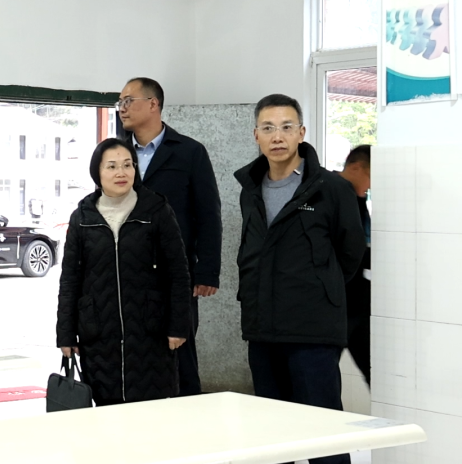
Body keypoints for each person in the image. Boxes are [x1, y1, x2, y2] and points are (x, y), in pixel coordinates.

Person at [234, 94, 365, 464]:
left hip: (313, 332)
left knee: (322, 436)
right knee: (273, 438)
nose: (277, 136)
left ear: (301, 133)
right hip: (263, 329)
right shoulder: (250, 189)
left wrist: (319, 287)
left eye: (286, 127)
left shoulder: (331, 188)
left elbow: (350, 253)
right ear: (256, 135)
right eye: (268, 128)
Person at [56, 138, 191, 406]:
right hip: (98, 334)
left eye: (128, 165)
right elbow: (70, 279)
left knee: (152, 412)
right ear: (97, 172)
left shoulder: (156, 210)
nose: (121, 172)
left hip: (150, 331)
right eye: (112, 166)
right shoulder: (83, 217)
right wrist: (66, 333)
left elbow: (178, 273)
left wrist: (179, 326)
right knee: (107, 413)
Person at [118, 77, 222, 396]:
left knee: (179, 355)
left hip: (175, 274)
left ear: (153, 104)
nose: (122, 108)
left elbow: (208, 214)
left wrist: (207, 271)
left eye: (128, 100)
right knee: (133, 357)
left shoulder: (189, 152)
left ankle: (187, 417)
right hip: (126, 272)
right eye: (119, 102)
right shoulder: (117, 153)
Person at [339, 145, 371, 386]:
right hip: (337, 302)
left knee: (375, 371)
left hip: (358, 302)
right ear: (356, 167)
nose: (371, 185)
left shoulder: (358, 199)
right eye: (370, 177)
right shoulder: (333, 194)